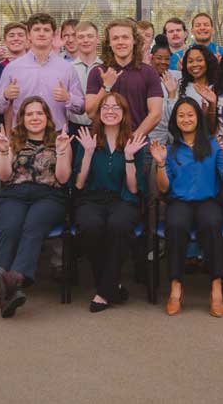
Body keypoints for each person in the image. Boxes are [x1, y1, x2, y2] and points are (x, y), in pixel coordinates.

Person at [151, 98, 223, 317]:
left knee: (212, 223)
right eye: (181, 115)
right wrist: (160, 164)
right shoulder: (170, 150)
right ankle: (176, 287)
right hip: (179, 201)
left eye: (190, 114)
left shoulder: (214, 145)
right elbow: (164, 187)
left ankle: (216, 288)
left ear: (198, 118)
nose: (186, 119)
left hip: (207, 201)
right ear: (175, 120)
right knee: (176, 225)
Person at [0, 96, 73, 318]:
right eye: (29, 114)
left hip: (49, 196)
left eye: (39, 113)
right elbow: (4, 176)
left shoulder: (60, 140)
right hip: (13, 194)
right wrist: (5, 152)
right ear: (22, 119)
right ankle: (9, 289)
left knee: (32, 227)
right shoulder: (13, 140)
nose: (34, 118)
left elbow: (63, 179)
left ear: (47, 117)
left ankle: (11, 279)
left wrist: (63, 151)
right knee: (11, 228)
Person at [72, 94, 148, 312]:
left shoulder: (134, 142)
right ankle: (112, 285)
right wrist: (87, 154)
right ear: (99, 112)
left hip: (123, 198)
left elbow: (134, 188)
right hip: (91, 198)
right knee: (90, 226)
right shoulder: (87, 139)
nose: (110, 111)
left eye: (116, 107)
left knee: (119, 225)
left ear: (124, 113)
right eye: (105, 107)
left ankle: (104, 291)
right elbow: (78, 184)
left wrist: (130, 157)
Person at [0, 14, 84, 132]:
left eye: (46, 30)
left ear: (53, 34)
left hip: (57, 137)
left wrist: (68, 98)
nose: (41, 33)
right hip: (22, 137)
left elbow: (81, 108)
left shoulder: (67, 68)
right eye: (36, 30)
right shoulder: (12, 68)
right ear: (29, 35)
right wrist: (5, 96)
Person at [86, 19, 163, 136]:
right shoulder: (97, 72)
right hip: (104, 143)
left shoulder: (149, 72)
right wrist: (106, 86)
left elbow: (155, 114)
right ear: (109, 43)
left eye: (125, 37)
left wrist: (133, 139)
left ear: (134, 41)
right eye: (115, 38)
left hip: (139, 141)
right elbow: (91, 113)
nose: (120, 42)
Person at [66, 21, 102, 134]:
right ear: (76, 40)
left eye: (90, 36)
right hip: (74, 127)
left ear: (98, 39)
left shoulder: (107, 68)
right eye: (81, 37)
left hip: (102, 127)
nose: (85, 40)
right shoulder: (67, 69)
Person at [177, 44, 219, 126]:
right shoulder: (180, 87)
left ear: (208, 62)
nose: (194, 64)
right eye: (190, 61)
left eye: (199, 60)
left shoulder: (218, 87)